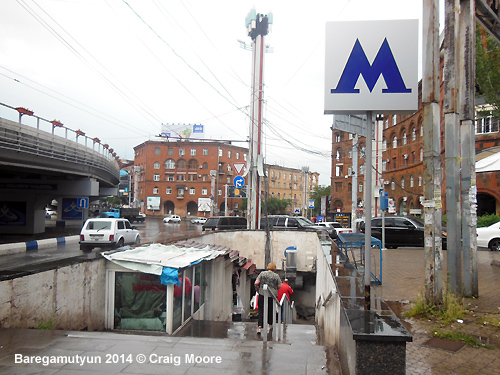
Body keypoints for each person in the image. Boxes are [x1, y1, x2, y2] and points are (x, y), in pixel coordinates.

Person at [254, 262, 282, 334]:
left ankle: (260, 326)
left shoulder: (262, 274)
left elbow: (256, 283)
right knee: (270, 309)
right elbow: (279, 286)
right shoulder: (276, 276)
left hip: (262, 293)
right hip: (272, 295)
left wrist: (257, 288)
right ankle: (270, 324)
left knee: (261, 310)